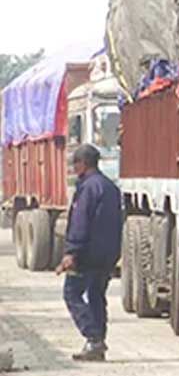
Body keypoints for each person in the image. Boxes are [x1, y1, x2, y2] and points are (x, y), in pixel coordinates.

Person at [55, 144, 124, 362]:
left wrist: (71, 252)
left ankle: (93, 338)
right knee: (96, 296)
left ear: (82, 164)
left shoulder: (87, 189)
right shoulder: (111, 188)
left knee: (72, 293)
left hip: (86, 255)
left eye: (75, 164)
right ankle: (97, 346)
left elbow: (80, 222)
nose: (74, 168)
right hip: (107, 255)